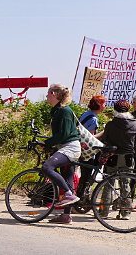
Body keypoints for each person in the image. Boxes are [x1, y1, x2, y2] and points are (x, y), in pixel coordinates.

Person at [52, 95, 106, 223]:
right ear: (99, 105)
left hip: (77, 149)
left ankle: (73, 204)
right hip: (86, 152)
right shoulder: (93, 119)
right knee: (85, 177)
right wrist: (104, 132)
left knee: (76, 176)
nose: (105, 106)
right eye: (103, 104)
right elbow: (91, 138)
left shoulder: (85, 114)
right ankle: (79, 201)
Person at [94, 100, 136, 220]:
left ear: (115, 110)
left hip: (112, 157)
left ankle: (104, 211)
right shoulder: (134, 124)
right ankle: (126, 212)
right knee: (126, 184)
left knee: (108, 183)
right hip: (128, 157)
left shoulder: (111, 124)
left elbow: (105, 139)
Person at [40, 83, 81, 212]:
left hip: (70, 148)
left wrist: (48, 143)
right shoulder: (59, 110)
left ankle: (68, 194)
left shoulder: (64, 110)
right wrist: (51, 144)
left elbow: (64, 134)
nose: (46, 96)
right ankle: (66, 215)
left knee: (47, 167)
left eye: (48, 93)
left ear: (55, 94)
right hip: (65, 147)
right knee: (68, 179)